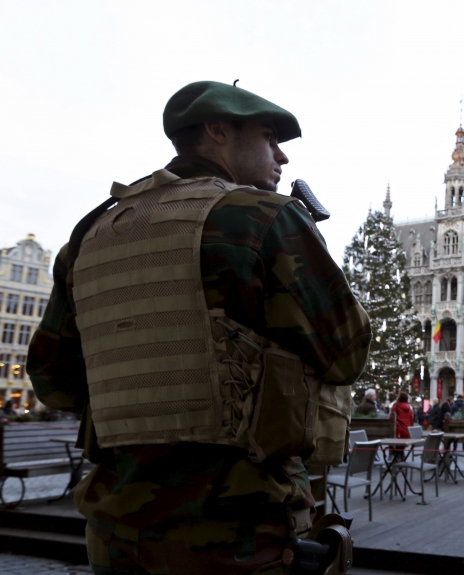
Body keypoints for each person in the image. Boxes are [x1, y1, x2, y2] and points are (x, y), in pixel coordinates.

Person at [26, 80, 372, 575]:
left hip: (116, 534)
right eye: (270, 138)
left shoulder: (89, 235)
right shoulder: (264, 219)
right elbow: (347, 353)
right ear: (217, 131)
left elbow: (53, 384)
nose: (282, 157)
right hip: (237, 537)